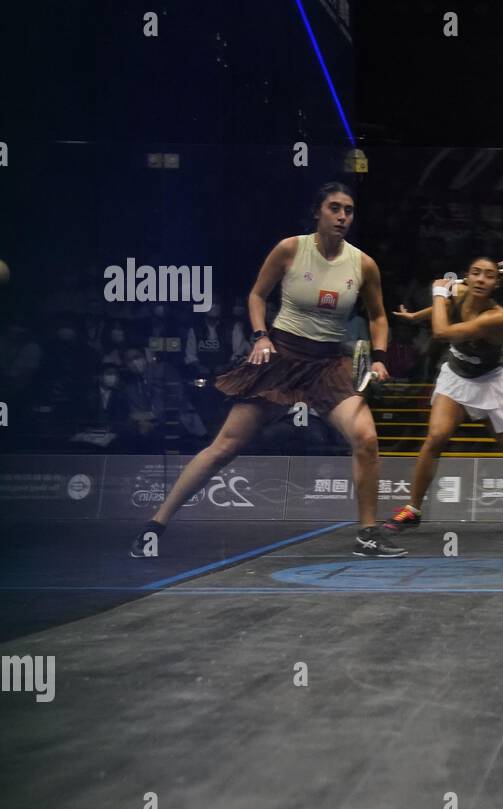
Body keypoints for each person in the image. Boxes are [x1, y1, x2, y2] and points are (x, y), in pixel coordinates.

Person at [130, 182, 402, 558]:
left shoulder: (363, 264)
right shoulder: (290, 249)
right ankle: (155, 525)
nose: (342, 216)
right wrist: (260, 336)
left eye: (349, 210)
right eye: (334, 208)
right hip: (282, 358)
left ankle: (368, 535)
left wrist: (380, 356)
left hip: (328, 364)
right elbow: (257, 295)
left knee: (366, 439)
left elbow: (378, 316)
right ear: (318, 212)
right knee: (225, 447)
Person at [385, 257, 503, 532]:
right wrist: (416, 316)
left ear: (496, 283)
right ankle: (412, 509)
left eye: (488, 275)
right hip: (456, 378)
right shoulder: (461, 293)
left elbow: (442, 332)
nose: (481, 279)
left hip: (493, 384)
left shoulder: (498, 317)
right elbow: (447, 307)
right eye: (476, 273)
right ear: (469, 277)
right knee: (436, 437)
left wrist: (439, 291)